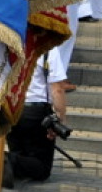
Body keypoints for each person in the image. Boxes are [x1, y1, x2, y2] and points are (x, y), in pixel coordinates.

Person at [6, 48, 70, 183]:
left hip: (11, 108)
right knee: (43, 168)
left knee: (19, 152)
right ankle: (5, 160)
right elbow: (57, 89)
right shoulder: (48, 47)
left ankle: (8, 162)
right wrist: (61, 118)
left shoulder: (9, 43)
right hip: (36, 111)